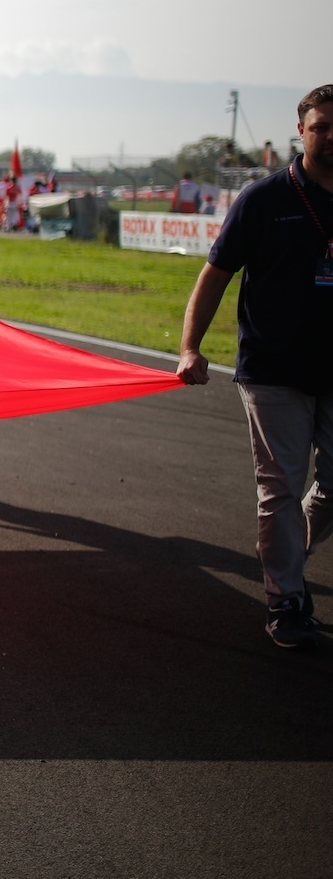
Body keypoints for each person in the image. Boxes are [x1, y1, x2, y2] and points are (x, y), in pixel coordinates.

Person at [178, 84, 333, 648]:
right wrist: (190, 346)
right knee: (281, 488)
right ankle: (285, 598)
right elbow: (215, 274)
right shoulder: (264, 199)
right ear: (302, 131)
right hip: (274, 369)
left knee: (325, 492)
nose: (332, 136)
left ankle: (292, 553)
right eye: (322, 127)